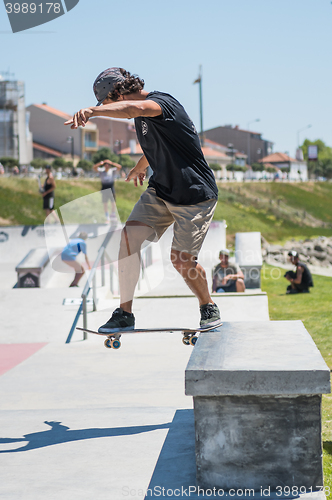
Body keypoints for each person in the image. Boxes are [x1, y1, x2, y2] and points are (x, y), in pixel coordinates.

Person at [64, 67, 221, 332]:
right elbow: (163, 143)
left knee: (181, 260)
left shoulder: (161, 104)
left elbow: (133, 109)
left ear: (118, 93)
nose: (109, 109)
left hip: (194, 195)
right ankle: (125, 313)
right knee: (128, 239)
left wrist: (93, 111)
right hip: (161, 191)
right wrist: (141, 165)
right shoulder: (141, 116)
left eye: (108, 103)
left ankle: (208, 306)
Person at [93, 158, 122, 222]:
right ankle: (107, 217)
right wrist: (101, 163)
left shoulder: (112, 171)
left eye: (108, 165)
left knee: (113, 203)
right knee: (105, 203)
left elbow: (119, 167)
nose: (107, 166)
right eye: (106, 164)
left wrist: (112, 163)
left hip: (111, 188)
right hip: (104, 188)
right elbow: (94, 167)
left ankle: (113, 215)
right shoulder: (101, 171)